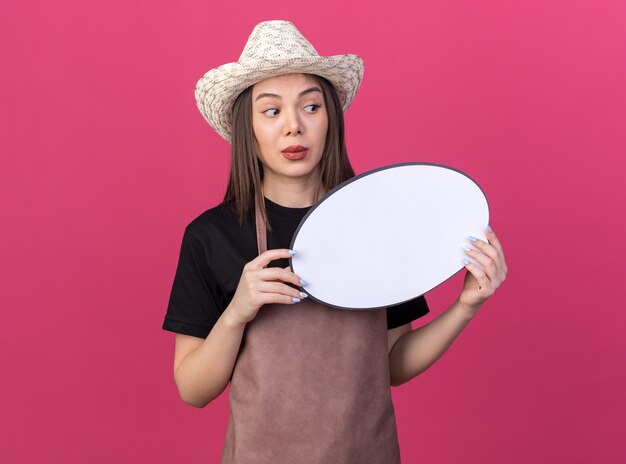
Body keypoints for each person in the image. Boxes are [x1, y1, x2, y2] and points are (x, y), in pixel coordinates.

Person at [162, 20, 507, 463]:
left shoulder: (380, 224)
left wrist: (465, 307)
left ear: (331, 118)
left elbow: (394, 363)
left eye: (311, 107)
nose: (293, 127)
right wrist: (237, 313)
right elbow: (192, 390)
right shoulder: (210, 236)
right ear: (248, 129)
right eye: (271, 111)